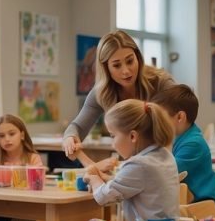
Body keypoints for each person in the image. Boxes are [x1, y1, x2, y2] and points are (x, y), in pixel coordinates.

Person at [62, 31, 174, 160]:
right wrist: (69, 137)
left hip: (163, 161)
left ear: (138, 57)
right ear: (106, 68)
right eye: (116, 65)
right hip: (129, 165)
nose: (126, 71)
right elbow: (78, 127)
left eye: (130, 61)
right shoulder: (101, 92)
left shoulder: (161, 82)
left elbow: (179, 124)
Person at [83, 99, 179, 221]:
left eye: (113, 136)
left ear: (133, 136)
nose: (113, 144)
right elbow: (133, 183)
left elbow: (104, 197)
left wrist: (93, 179)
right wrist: (105, 178)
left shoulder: (139, 164)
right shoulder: (164, 155)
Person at [149, 84, 215, 204]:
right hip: (182, 200)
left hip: (199, 203)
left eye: (160, 118)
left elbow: (165, 171)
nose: (156, 123)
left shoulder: (194, 143)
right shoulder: (174, 137)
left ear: (180, 117)